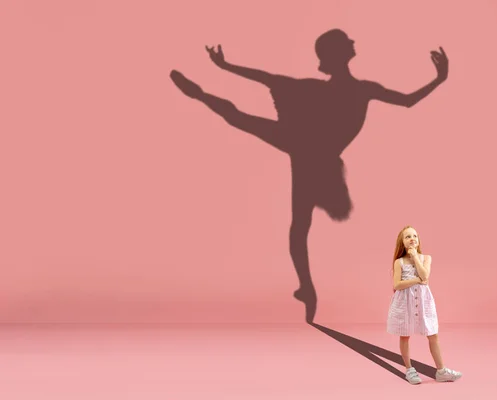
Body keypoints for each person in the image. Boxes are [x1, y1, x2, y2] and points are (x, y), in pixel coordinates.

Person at [170, 29, 449, 323]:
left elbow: (267, 78)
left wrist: (225, 67)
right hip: (306, 146)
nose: (354, 42)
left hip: (305, 148)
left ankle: (306, 286)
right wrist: (438, 79)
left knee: (240, 120)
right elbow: (407, 100)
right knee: (242, 120)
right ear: (340, 52)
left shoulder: (349, 89)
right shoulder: (359, 89)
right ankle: (306, 286)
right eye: (348, 41)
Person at [387, 225, 462, 384]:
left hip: (423, 301)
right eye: (407, 236)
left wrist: (415, 257)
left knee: (433, 333)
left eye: (415, 235)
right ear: (402, 242)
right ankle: (409, 369)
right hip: (404, 301)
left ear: (419, 240)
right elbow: (397, 285)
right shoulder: (399, 262)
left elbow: (425, 275)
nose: (412, 238)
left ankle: (441, 370)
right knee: (405, 334)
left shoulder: (426, 258)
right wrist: (417, 281)